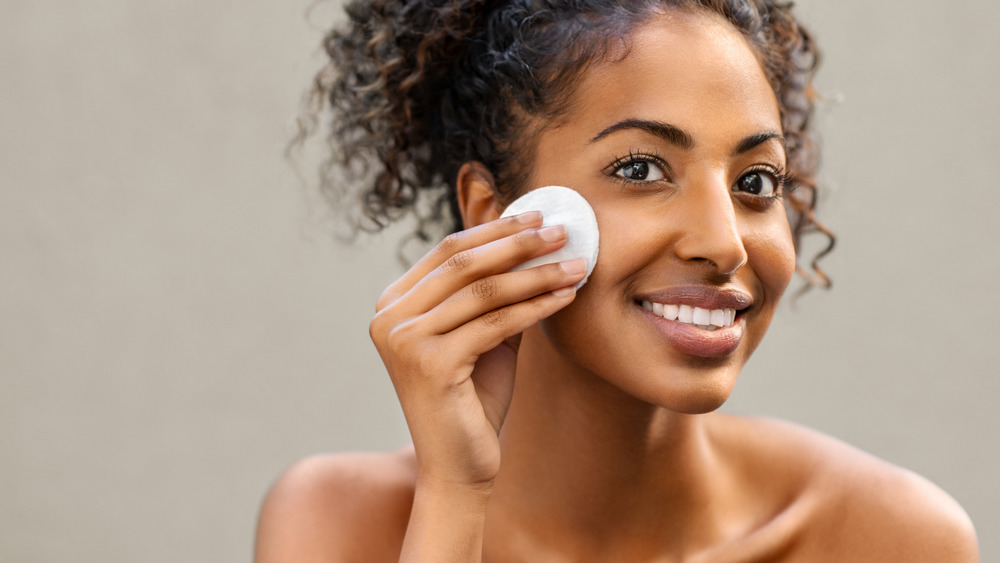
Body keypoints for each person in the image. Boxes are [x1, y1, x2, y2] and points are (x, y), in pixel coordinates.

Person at [255, 0, 979, 560]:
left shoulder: (891, 538)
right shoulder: (336, 526)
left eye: (756, 180)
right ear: (493, 212)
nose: (724, 242)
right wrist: (452, 498)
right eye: (641, 169)